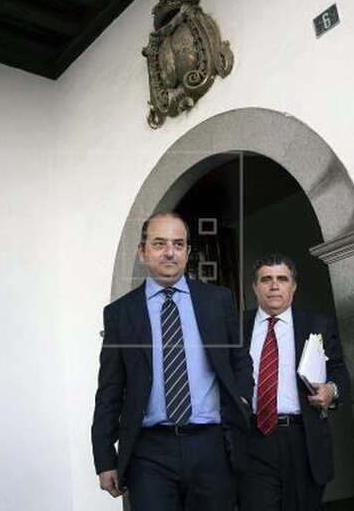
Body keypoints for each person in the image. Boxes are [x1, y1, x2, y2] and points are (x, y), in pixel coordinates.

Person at [91, 212, 253, 511]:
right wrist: (104, 458)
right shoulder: (120, 313)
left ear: (188, 252)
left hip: (212, 447)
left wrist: (243, 399)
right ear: (143, 252)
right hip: (149, 453)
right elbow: (110, 389)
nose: (170, 252)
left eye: (178, 244)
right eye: (159, 244)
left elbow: (239, 359)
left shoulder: (218, 300)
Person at [240, 254, 351, 511]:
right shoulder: (236, 327)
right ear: (255, 287)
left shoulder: (317, 324)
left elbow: (339, 371)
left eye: (282, 279)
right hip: (253, 438)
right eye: (266, 279)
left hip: (304, 437)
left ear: (294, 286)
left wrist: (331, 390)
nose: (274, 285)